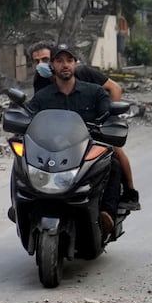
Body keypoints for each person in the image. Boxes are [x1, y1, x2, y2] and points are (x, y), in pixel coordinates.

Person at [25, 46, 131, 223]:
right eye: (59, 61)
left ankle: (111, 210)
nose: (64, 65)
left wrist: (110, 126)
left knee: (112, 162)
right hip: (54, 147)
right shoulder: (43, 93)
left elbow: (109, 108)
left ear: (75, 63)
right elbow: (31, 116)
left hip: (87, 144)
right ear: (53, 64)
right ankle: (23, 205)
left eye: (68, 60)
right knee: (23, 162)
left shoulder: (93, 90)